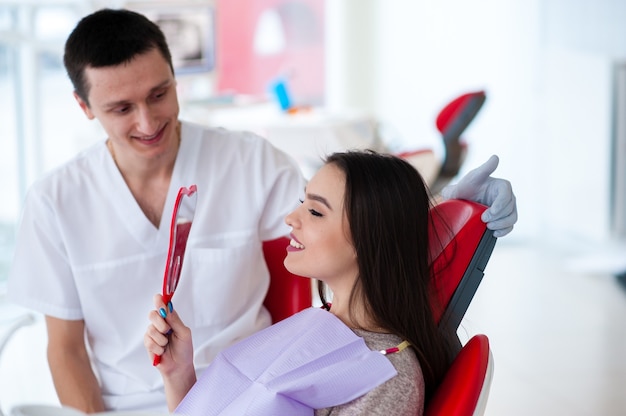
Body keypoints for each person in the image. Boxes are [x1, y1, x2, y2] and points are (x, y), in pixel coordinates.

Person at [7, 7, 517, 414]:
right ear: (84, 107)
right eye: (121, 109)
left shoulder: (249, 162)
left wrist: (448, 207)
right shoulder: (55, 202)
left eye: (159, 94)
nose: (147, 120)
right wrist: (177, 381)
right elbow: (65, 349)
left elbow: (354, 223)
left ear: (175, 79)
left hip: (258, 388)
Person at [145, 150, 459, 415]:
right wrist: (178, 374)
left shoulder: (387, 377)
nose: (291, 218)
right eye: (302, 202)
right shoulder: (317, 324)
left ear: (369, 238)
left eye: (315, 211)